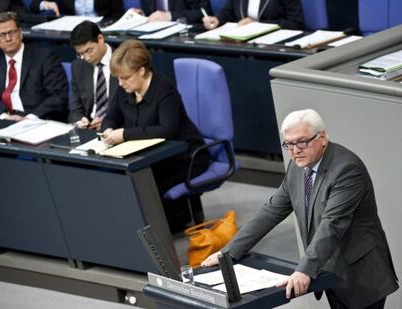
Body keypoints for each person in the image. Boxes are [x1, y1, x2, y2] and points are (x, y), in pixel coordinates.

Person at [201, 109, 398, 308]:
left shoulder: (347, 170)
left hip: (360, 273)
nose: (295, 150)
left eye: (302, 142)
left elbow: (332, 225)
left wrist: (304, 270)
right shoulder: (298, 167)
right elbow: (272, 210)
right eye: (289, 144)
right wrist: (229, 253)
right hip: (329, 265)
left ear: (322, 137)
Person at [101, 39, 210, 231]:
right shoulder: (124, 89)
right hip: (150, 157)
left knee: (145, 186)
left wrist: (125, 134)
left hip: (185, 157)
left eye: (125, 77)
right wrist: (109, 129)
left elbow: (165, 130)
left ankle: (161, 232)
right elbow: (110, 117)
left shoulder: (163, 88)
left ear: (141, 71)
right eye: (118, 78)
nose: (120, 83)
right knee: (126, 181)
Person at [0, 11, 68, 121]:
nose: (8, 38)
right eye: (2, 35)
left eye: (11, 32)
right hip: (5, 120)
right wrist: (5, 117)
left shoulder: (45, 58)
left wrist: (30, 118)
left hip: (36, 120)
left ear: (20, 33)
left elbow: (59, 96)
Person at [68, 21, 117, 130]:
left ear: (100, 39)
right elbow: (75, 109)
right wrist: (79, 120)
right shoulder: (78, 66)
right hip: (89, 128)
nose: (87, 58)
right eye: (81, 54)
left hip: (116, 128)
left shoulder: (123, 60)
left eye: (89, 50)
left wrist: (109, 123)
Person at [203, 0, 304, 30]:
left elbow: (296, 23)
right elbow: (227, 11)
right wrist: (217, 19)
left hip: (274, 45)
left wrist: (257, 25)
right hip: (244, 43)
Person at [133, 0, 212, 23]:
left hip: (185, 39)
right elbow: (151, 13)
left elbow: (203, 12)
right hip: (156, 38)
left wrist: (170, 16)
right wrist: (142, 16)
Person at [29, 0, 123, 19]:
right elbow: (34, 5)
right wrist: (44, 4)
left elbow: (117, 13)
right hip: (72, 29)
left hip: (101, 27)